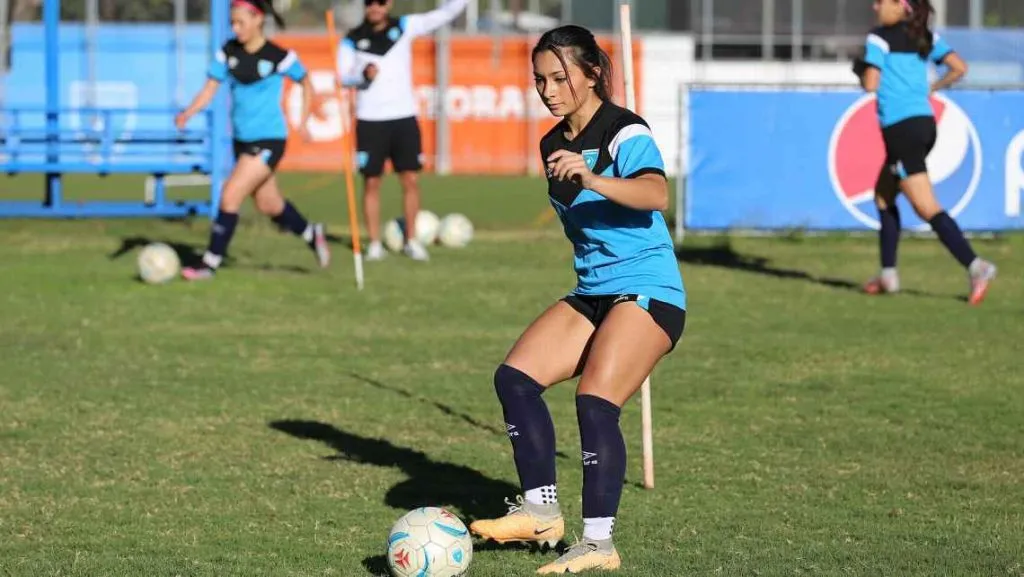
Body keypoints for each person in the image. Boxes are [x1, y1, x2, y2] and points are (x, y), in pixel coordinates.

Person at [468, 25, 687, 575]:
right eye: (539, 80)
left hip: (649, 290)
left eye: (559, 78)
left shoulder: (624, 130)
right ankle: (541, 513)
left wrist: (592, 178)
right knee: (515, 380)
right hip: (594, 291)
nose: (548, 90)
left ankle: (598, 544)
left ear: (592, 74)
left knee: (595, 402)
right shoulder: (551, 144)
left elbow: (656, 193)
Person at [175, 0, 330, 281]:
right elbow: (210, 88)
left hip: (270, 140)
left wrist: (304, 120)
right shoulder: (228, 52)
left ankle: (209, 263)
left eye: (241, 22)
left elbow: (306, 82)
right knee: (269, 204)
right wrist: (189, 112)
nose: (235, 28)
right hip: (242, 141)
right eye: (232, 23)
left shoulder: (279, 56)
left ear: (258, 19)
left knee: (230, 194)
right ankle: (311, 233)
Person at [854, 0, 996, 304]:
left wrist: (861, 68)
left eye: (881, 1)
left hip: (901, 130)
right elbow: (959, 68)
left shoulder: (879, 37)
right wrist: (933, 88)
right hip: (924, 124)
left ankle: (976, 266)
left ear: (899, 5)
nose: (875, 7)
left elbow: (870, 84)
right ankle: (888, 275)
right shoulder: (924, 35)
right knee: (883, 195)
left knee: (926, 206)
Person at [336, 0, 469, 262]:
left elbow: (444, 14)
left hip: (403, 118)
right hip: (370, 119)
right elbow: (342, 77)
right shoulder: (352, 39)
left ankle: (411, 241)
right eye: (370, 3)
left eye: (380, 2)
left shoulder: (405, 26)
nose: (375, 7)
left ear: (389, 4)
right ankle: (374, 244)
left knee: (410, 180)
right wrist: (362, 75)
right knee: (371, 182)